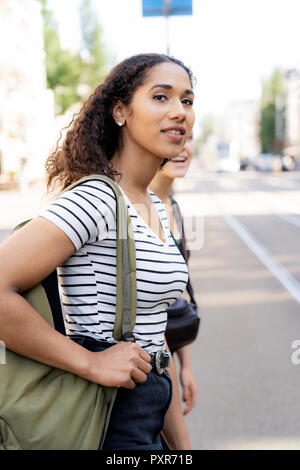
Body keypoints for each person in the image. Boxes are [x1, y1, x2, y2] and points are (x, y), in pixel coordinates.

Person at [0, 53, 195, 450]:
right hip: (106, 416)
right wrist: (89, 361)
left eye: (187, 101)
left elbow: (154, 341)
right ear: (121, 111)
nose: (179, 112)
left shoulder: (152, 205)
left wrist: (183, 448)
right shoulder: (98, 198)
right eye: (161, 97)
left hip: (151, 409)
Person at [150, 133, 199, 418]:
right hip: (146, 369)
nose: (183, 146)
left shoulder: (174, 207)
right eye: (173, 136)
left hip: (165, 362)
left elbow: (173, 296)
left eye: (189, 137)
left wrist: (186, 367)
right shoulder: (137, 208)